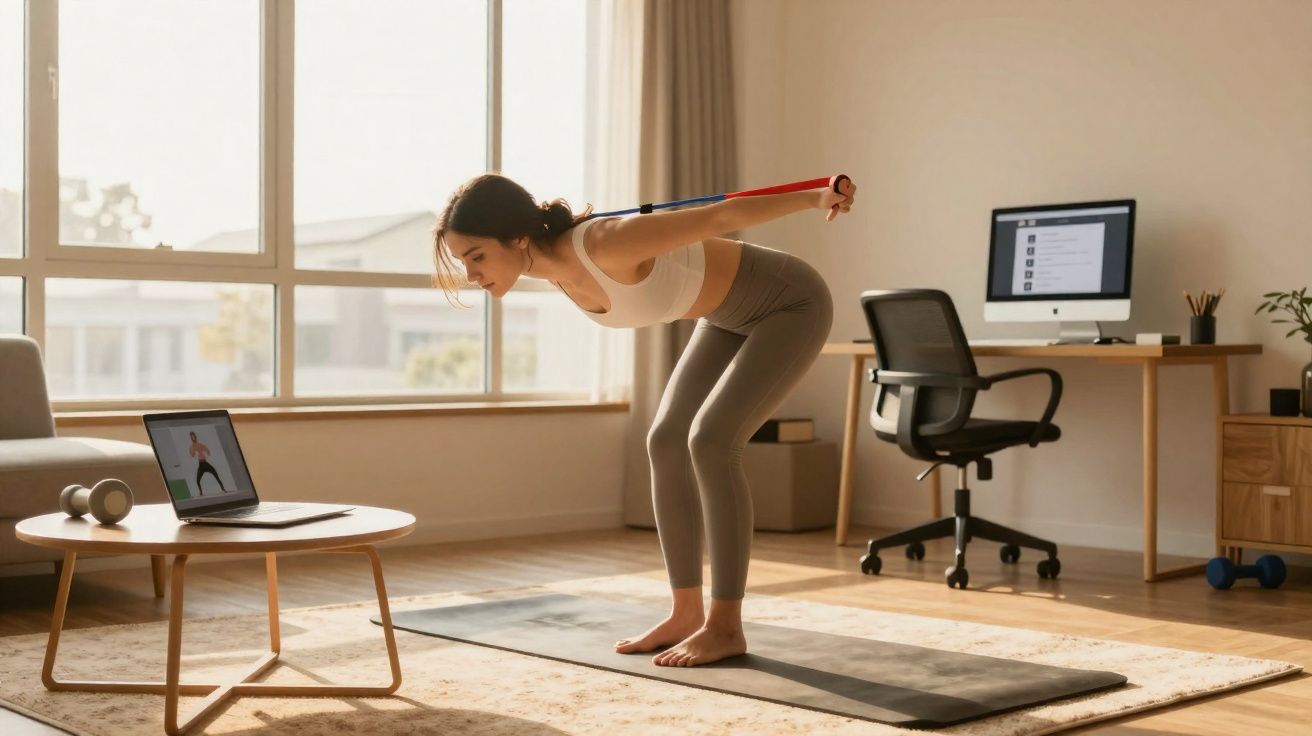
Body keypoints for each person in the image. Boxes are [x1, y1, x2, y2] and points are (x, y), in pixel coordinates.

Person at [432, 172, 855, 667]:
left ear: (518, 238)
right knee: (667, 440)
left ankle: (725, 627)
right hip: (727, 317)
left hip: (792, 303)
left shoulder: (606, 243)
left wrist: (812, 195)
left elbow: (721, 216)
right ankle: (684, 612)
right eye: (463, 262)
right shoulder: (552, 270)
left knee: (713, 442)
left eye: (477, 256)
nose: (471, 274)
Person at [188, 431, 227, 495]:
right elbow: (192, 455)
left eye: (194, 436)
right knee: (197, 480)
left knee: (216, 475)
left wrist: (205, 452)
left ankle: (223, 489)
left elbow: (208, 452)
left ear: (195, 437)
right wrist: (195, 453)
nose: (193, 438)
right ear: (191, 438)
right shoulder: (192, 447)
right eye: (192, 437)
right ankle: (201, 493)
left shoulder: (200, 444)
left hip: (206, 464)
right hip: (201, 465)